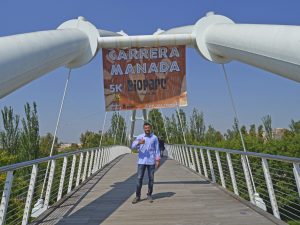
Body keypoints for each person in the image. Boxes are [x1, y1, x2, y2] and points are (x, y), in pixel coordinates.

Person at [131, 122, 160, 204]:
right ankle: (137, 196)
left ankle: (149, 195)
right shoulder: (140, 137)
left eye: (148, 128)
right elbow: (132, 146)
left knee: (151, 179)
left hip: (151, 161)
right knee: (139, 178)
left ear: (150, 128)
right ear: (144, 128)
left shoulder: (154, 138)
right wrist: (139, 143)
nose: (147, 129)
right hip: (141, 161)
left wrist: (157, 160)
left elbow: (157, 150)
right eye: (145, 128)